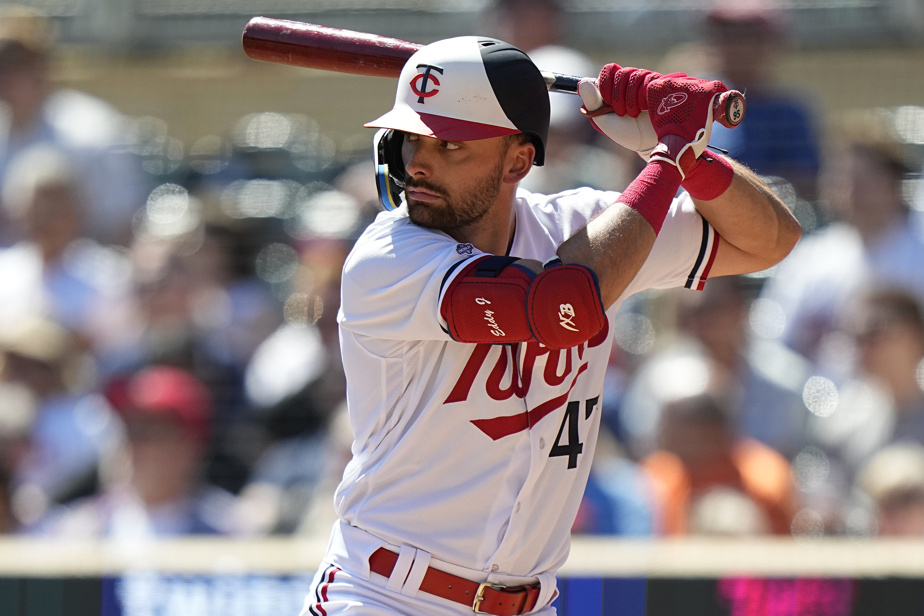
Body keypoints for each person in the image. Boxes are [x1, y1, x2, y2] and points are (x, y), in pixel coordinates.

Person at [301, 35, 800, 616]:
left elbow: (769, 240)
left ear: (518, 158)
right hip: (387, 594)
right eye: (410, 139)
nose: (418, 164)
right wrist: (664, 160)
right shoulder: (386, 257)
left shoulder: (581, 224)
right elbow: (564, 306)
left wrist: (693, 157)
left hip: (531, 602)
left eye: (450, 145)